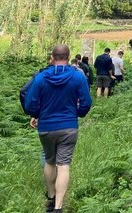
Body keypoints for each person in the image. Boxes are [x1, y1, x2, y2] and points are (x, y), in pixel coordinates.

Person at [23, 44, 91, 213]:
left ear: (52, 57)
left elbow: (30, 103)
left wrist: (37, 114)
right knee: (64, 165)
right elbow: (86, 103)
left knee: (50, 161)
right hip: (69, 126)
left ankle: (51, 197)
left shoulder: (41, 78)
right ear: (68, 57)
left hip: (46, 127)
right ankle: (59, 207)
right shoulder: (78, 77)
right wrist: (78, 113)